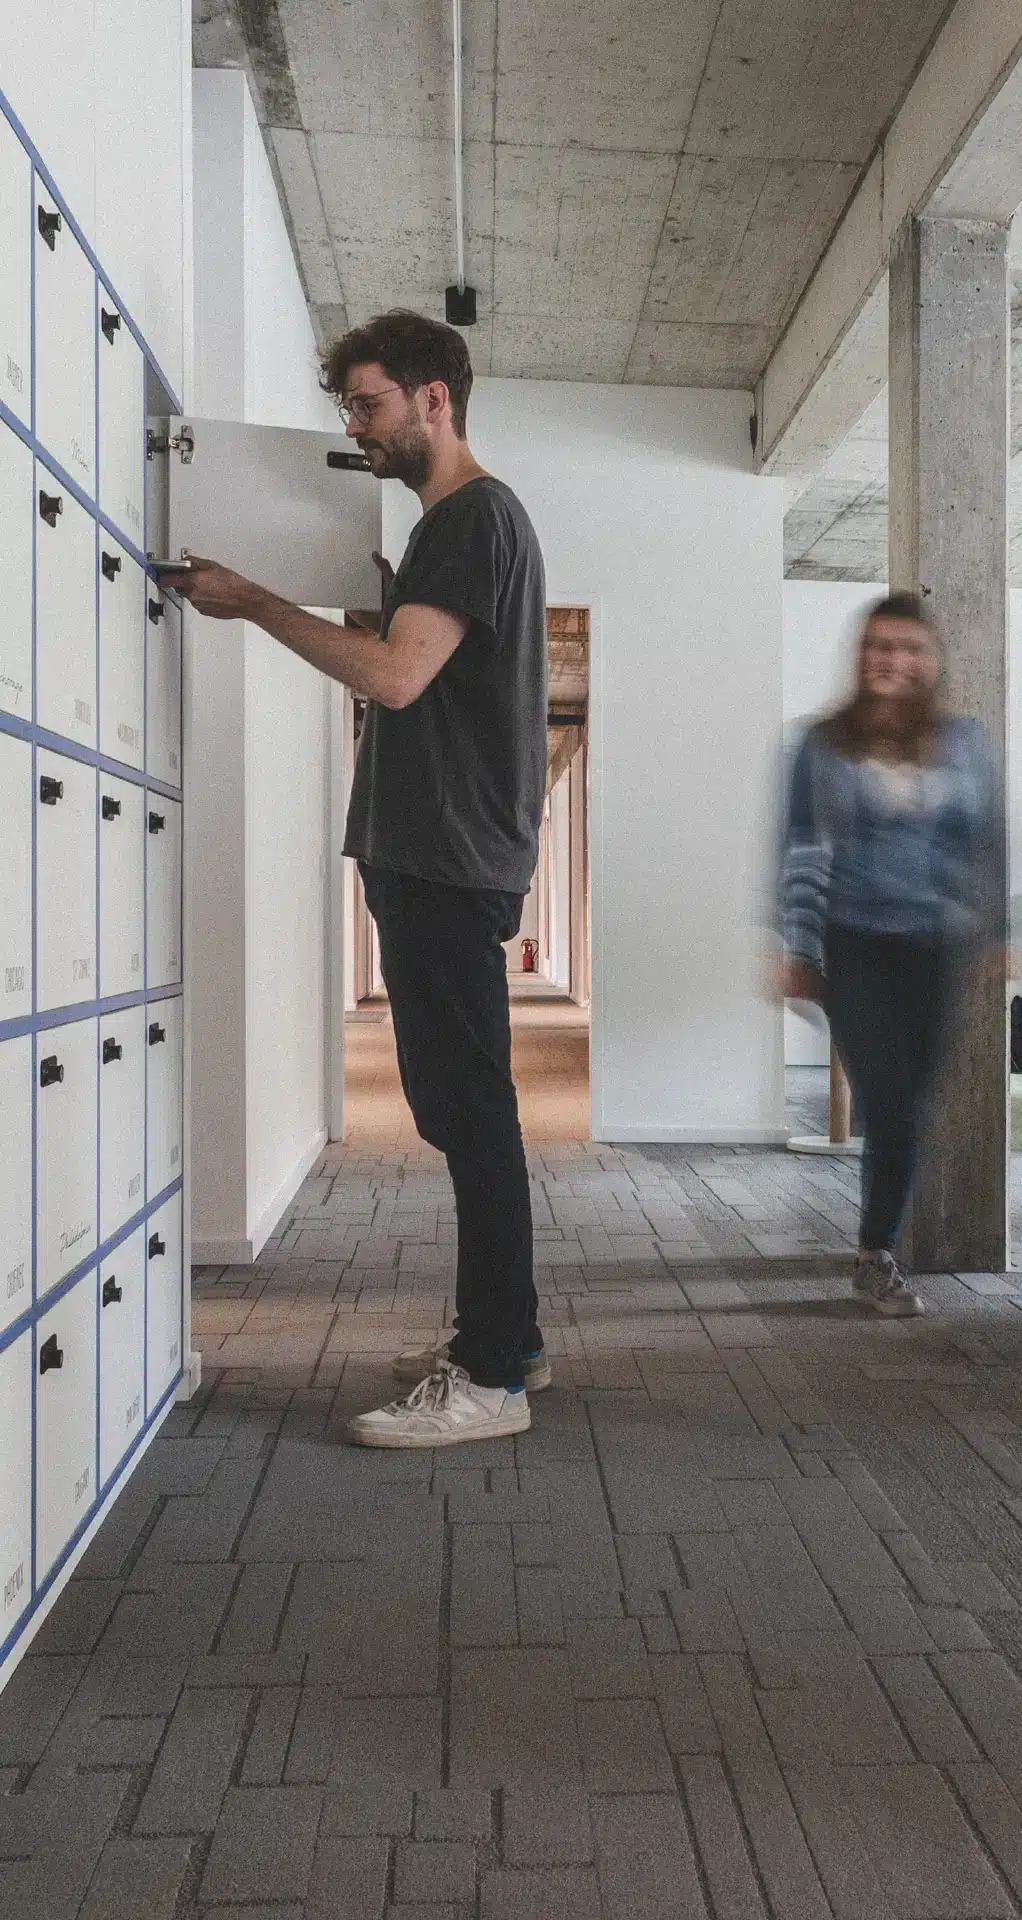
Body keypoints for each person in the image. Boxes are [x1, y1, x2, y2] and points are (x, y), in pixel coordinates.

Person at [170, 309, 549, 1449]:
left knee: (469, 1114)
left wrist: (255, 603)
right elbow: (424, 667)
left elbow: (393, 680)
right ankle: (508, 1337)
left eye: (372, 405)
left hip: (442, 854)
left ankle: (491, 1378)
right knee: (460, 1106)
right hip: (439, 850)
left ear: (436, 398)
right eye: (349, 408)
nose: (357, 428)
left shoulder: (470, 517)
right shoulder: (460, 526)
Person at [775, 593, 1002, 1313]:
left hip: (937, 945)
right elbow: (800, 846)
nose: (893, 660)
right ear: (861, 654)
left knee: (912, 1104)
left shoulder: (964, 742)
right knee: (890, 1099)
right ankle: (878, 1253)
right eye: (879, 646)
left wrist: (996, 933)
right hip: (855, 941)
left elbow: (986, 842)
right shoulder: (822, 742)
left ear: (931, 661)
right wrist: (798, 945)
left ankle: (876, 1241)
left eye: (909, 648)